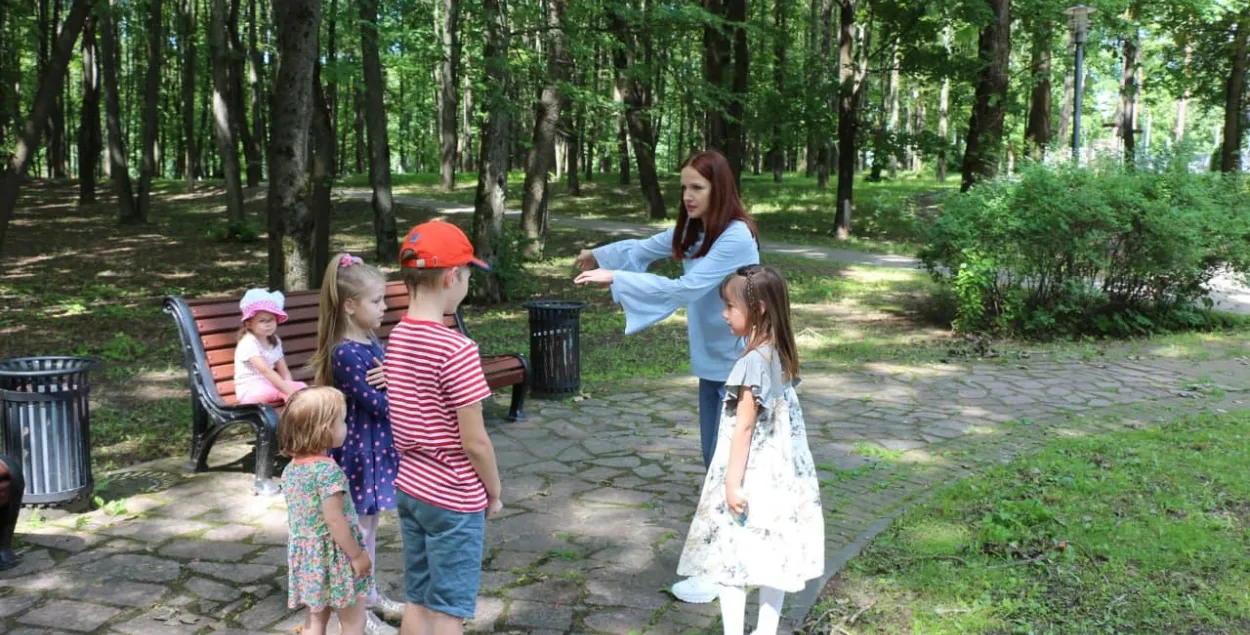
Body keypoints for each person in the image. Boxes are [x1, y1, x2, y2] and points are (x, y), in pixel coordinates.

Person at [574, 149, 760, 603]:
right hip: (714, 366)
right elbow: (645, 248)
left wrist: (614, 277)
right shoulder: (697, 230)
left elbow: (685, 289)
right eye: (683, 187)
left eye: (697, 187)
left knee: (729, 470)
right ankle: (740, 561)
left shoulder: (733, 237)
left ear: (720, 189)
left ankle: (725, 570)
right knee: (716, 465)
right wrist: (597, 253)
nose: (687, 196)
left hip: (742, 366)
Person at [677, 265, 824, 635]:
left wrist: (730, 483)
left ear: (757, 309)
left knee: (730, 558)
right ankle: (766, 630)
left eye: (729, 307)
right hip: (778, 475)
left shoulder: (750, 363)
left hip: (749, 476)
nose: (724, 314)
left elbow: (743, 428)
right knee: (772, 553)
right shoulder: (778, 352)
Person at [384, 221, 504, 635]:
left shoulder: (398, 336)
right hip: (454, 495)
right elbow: (475, 440)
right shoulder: (457, 349)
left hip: (411, 487)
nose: (467, 283)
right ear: (452, 277)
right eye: (468, 275)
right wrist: (494, 490)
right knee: (449, 609)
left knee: (418, 599)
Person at [311, 253, 403, 634]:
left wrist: (393, 373)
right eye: (377, 301)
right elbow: (381, 404)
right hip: (359, 457)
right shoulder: (347, 353)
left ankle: (371, 593)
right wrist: (399, 382)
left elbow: (387, 385)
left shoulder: (366, 339)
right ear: (350, 306)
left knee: (369, 527)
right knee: (358, 534)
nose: (385, 307)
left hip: (375, 452)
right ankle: (357, 614)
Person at [280, 387, 374, 635]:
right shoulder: (327, 472)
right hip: (337, 558)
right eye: (341, 421)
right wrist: (356, 555)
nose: (346, 426)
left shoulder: (291, 469)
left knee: (315, 620)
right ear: (325, 432)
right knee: (354, 621)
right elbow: (334, 520)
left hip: (309, 559)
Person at [234, 288, 307, 404]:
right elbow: (266, 371)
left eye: (271, 320)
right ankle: (294, 411)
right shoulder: (248, 342)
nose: (268, 324)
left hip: (270, 384)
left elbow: (284, 371)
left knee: (302, 386)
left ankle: (294, 407)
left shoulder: (275, 340)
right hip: (250, 389)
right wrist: (289, 391)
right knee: (284, 391)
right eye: (262, 321)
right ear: (249, 324)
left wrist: (290, 385)